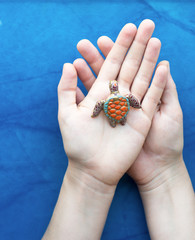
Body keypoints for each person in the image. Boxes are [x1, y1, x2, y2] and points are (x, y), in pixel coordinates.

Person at [42, 19, 195, 240]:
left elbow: (105, 106)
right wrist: (165, 174)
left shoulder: (110, 101)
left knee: (117, 120)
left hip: (116, 112)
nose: (114, 87)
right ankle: (118, 121)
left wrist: (165, 170)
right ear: (116, 89)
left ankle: (118, 121)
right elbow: (121, 104)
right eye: (114, 86)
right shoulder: (122, 98)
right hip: (118, 111)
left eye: (113, 86)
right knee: (118, 120)